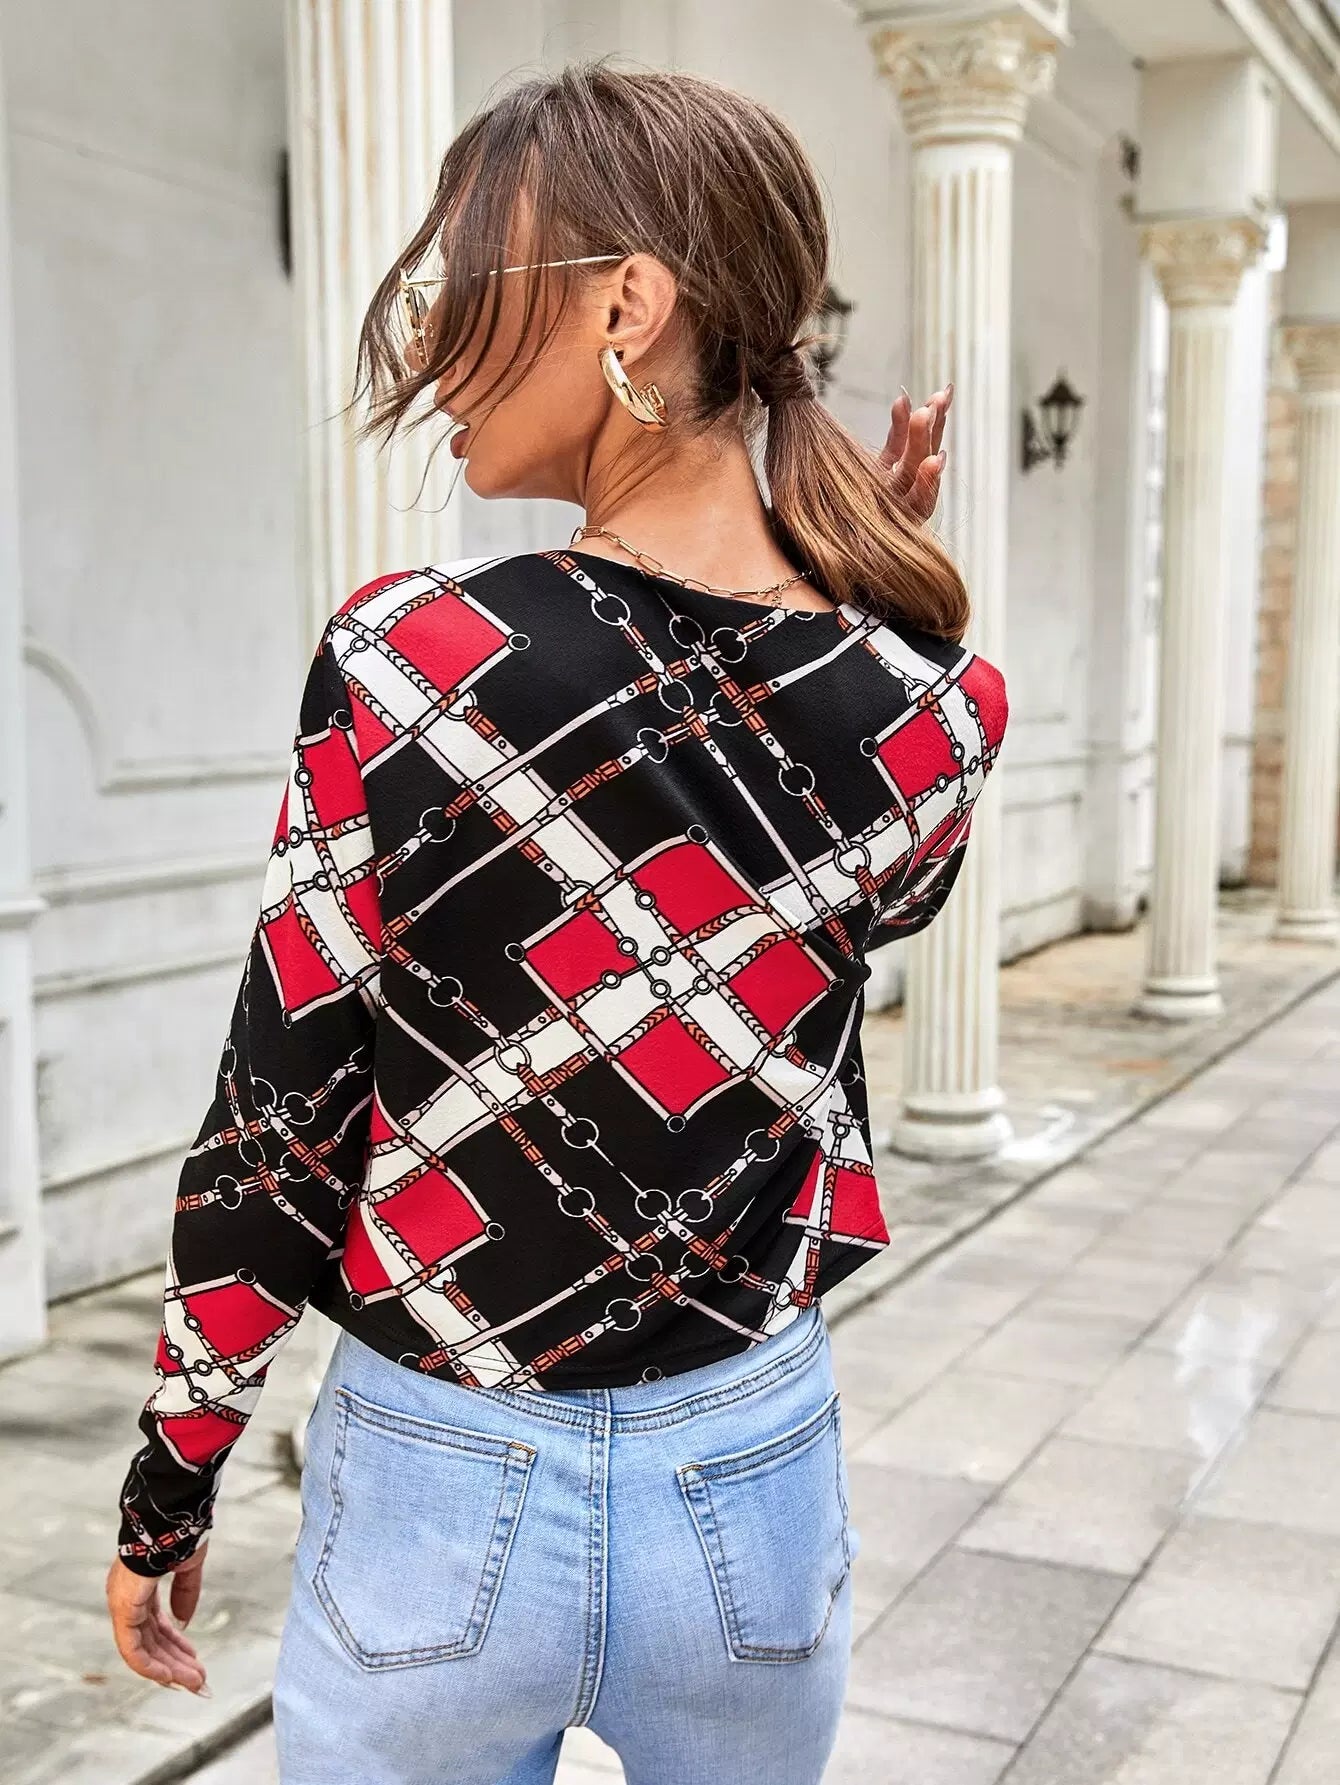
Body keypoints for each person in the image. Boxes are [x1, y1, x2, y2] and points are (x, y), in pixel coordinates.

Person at [105, 59, 1005, 1785]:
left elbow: (283, 1117)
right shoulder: (933, 710)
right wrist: (864, 590)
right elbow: (858, 899)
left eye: (465, 282)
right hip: (744, 1480)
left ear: (625, 305)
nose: (437, 346)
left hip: (440, 1481)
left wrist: (176, 1470)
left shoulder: (412, 664)